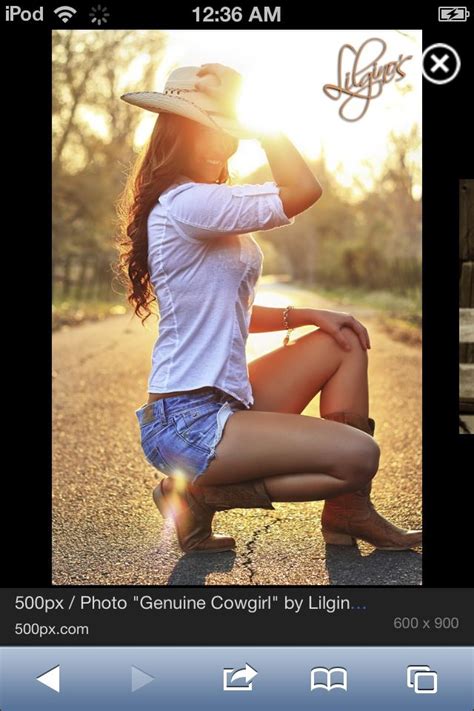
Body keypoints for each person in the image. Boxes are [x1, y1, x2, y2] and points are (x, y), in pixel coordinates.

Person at [117, 63, 422, 555]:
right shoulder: (189, 202)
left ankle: (348, 511)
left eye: (227, 131)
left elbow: (225, 308)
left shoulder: (204, 202)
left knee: (340, 342)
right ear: (177, 133)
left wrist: (305, 316)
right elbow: (303, 191)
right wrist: (264, 123)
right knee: (359, 455)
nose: (223, 144)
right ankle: (200, 492)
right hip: (187, 422)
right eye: (208, 130)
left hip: (222, 403)